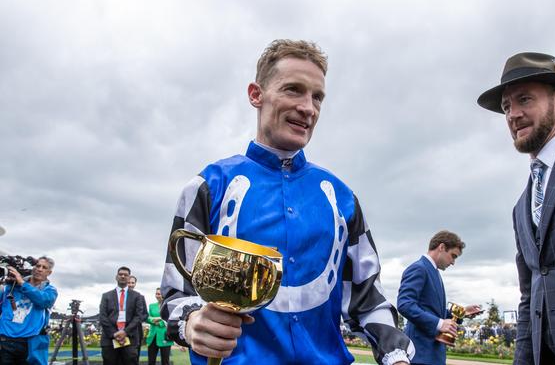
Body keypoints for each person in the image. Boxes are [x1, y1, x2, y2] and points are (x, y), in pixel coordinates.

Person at [160, 39, 413, 365]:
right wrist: (193, 322)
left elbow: (368, 301)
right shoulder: (208, 186)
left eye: (317, 97)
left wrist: (397, 357)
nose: (308, 108)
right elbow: (177, 293)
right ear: (256, 95)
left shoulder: (343, 198)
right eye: (293, 90)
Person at [477, 52, 555, 365]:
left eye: (524, 100)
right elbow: (530, 298)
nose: (513, 114)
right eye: (506, 107)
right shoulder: (521, 207)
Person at [397, 230, 481, 365]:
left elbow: (434, 312)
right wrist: (440, 324)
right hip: (420, 353)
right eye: (453, 256)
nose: (453, 262)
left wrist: (462, 313)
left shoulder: (433, 271)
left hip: (432, 354)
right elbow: (405, 305)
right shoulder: (419, 268)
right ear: (441, 247)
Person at [0, 256, 57, 365]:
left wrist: (22, 283)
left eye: (44, 267)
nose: (39, 269)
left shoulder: (49, 290)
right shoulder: (11, 286)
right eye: (37, 265)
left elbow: (43, 301)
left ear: (49, 272)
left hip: (29, 344)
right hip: (5, 342)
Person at [99, 266, 147, 365]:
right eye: (120, 274)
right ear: (116, 277)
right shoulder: (106, 296)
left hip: (130, 338)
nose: (123, 276)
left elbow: (138, 316)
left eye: (126, 275)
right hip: (109, 339)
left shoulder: (137, 296)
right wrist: (114, 334)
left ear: (129, 278)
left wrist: (125, 332)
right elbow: (103, 317)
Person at [146, 288, 174, 365]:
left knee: (165, 361)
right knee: (151, 361)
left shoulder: (169, 306)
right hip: (152, 337)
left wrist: (160, 323)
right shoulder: (151, 306)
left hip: (165, 336)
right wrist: (153, 321)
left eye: (160, 294)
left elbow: (170, 319)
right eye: (157, 294)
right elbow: (147, 318)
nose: (158, 296)